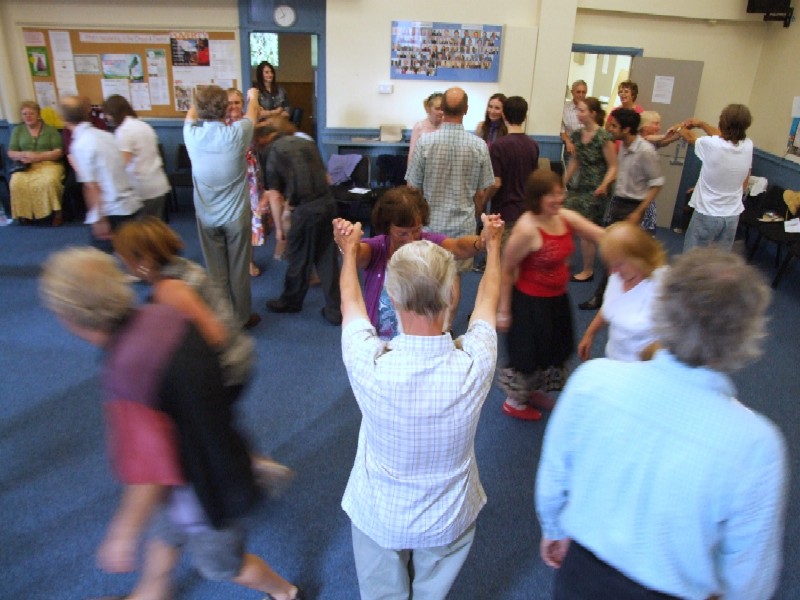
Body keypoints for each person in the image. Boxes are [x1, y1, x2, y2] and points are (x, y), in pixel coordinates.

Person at [39, 248, 304, 600]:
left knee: (222, 565)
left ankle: (286, 593)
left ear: (71, 316)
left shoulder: (127, 371)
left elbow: (148, 471)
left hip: (208, 488)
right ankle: (149, 595)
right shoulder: (163, 315)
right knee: (164, 535)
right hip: (217, 450)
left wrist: (122, 532)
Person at [536, 247, 787, 600]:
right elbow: (750, 577)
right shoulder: (757, 444)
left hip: (581, 575)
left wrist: (553, 529)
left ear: (663, 305)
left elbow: (554, 476)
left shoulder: (592, 380)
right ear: (745, 335)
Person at [334, 207, 504, 600]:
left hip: (380, 514)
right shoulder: (476, 362)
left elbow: (351, 303)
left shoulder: (367, 362)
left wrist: (348, 252)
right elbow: (489, 301)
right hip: (449, 518)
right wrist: (492, 247)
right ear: (452, 296)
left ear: (392, 296)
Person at [112, 217, 294, 497]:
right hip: (238, 357)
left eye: (124, 258)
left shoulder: (170, 289)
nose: (122, 263)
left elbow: (215, 335)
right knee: (218, 425)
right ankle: (252, 465)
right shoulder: (182, 268)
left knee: (207, 430)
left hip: (226, 367)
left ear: (143, 259)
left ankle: (248, 477)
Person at [497, 170, 603, 421]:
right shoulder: (526, 228)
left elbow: (598, 234)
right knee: (528, 353)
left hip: (556, 299)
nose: (558, 199)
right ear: (537, 198)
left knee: (553, 348)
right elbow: (507, 268)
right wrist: (503, 310)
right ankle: (514, 402)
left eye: (560, 192)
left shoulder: (563, 217)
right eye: (551, 195)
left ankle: (532, 392)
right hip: (529, 303)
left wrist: (630, 246)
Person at [346, 186, 499, 340]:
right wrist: (346, 242)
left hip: (419, 340)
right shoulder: (376, 249)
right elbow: (355, 255)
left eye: (416, 230)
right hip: (382, 341)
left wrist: (480, 242)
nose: (411, 239)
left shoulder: (428, 244)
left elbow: (458, 246)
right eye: (402, 233)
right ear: (387, 228)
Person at [406, 86, 495, 333]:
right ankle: (445, 328)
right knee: (454, 278)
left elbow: (412, 188)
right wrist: (477, 212)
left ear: (442, 110)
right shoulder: (479, 146)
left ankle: (426, 326)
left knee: (429, 276)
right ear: (466, 110)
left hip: (430, 225)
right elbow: (483, 190)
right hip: (463, 226)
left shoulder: (425, 143)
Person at [183, 85, 261, 329]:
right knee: (239, 271)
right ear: (225, 109)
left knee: (215, 272)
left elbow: (191, 114)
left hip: (206, 217)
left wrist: (201, 101)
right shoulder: (237, 134)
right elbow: (253, 112)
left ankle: (222, 318)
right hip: (236, 217)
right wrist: (254, 96)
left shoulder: (191, 134)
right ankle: (242, 317)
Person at [578, 109, 664, 311]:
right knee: (612, 252)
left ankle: (613, 299)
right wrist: (606, 184)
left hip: (635, 206)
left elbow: (658, 184)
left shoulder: (645, 151)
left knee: (629, 256)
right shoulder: (624, 147)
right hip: (619, 202)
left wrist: (639, 212)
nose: (610, 129)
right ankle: (606, 297)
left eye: (614, 126)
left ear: (627, 129)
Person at [262, 117, 342, 325]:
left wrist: (279, 228)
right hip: (327, 204)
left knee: (298, 257)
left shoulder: (273, 151)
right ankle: (335, 310)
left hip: (305, 211)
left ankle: (291, 301)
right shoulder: (307, 142)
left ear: (268, 136)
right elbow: (327, 178)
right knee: (327, 259)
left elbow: (275, 195)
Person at [577, 222, 667, 362]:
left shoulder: (661, 286)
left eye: (618, 264)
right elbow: (611, 306)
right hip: (614, 358)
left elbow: (678, 336)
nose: (612, 272)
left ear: (639, 260)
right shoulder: (619, 275)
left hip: (642, 367)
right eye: (610, 264)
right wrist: (590, 333)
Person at [60, 95, 141, 250]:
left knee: (102, 259)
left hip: (112, 210)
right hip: (129, 204)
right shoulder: (106, 135)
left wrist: (99, 220)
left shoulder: (80, 145)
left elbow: (91, 186)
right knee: (131, 255)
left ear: (63, 118)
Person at [668, 104, 753, 251]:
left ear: (723, 122)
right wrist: (700, 124)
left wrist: (679, 127)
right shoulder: (748, 145)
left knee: (693, 259)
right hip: (732, 216)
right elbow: (723, 137)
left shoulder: (711, 145)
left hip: (707, 214)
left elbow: (689, 137)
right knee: (719, 262)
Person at [562, 97, 617, 283]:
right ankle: (566, 263)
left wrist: (604, 185)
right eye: (578, 110)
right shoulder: (577, 135)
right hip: (580, 186)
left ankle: (588, 270)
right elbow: (575, 161)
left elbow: (613, 166)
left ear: (593, 113)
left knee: (586, 231)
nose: (579, 114)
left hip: (596, 190)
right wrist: (563, 182)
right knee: (566, 222)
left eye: (583, 111)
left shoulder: (603, 136)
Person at [226, 88, 272, 277]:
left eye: (237, 102)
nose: (234, 106)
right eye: (230, 102)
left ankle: (249, 260)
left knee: (251, 218)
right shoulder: (223, 124)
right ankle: (233, 260)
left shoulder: (248, 121)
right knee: (232, 220)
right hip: (232, 177)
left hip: (252, 177)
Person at [102, 94, 171, 220]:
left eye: (107, 114)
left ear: (113, 113)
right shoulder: (144, 125)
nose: (107, 118)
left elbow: (123, 164)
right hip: (158, 185)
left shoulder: (124, 131)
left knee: (140, 235)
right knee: (155, 232)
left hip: (142, 189)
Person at [483, 95, 540, 234]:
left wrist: (483, 201)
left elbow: (496, 183)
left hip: (504, 212)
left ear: (503, 114)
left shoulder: (499, 145)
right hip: (526, 210)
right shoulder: (533, 145)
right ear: (525, 117)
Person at [7, 100, 65, 225]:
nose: (28, 116)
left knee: (49, 181)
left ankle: (57, 213)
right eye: (24, 114)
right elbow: (11, 152)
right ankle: (26, 213)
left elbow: (58, 152)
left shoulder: (50, 130)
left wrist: (39, 156)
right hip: (25, 165)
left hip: (49, 163)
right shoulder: (18, 131)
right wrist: (23, 155)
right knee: (16, 182)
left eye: (31, 113)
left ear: (38, 114)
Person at [408, 92, 443, 160]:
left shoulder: (448, 126)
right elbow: (412, 154)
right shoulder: (419, 126)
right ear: (428, 109)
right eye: (437, 109)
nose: (441, 112)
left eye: (443, 109)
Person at [560, 80, 587, 162]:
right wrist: (568, 142)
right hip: (570, 149)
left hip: (586, 150)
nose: (581, 95)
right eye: (578, 92)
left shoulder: (589, 109)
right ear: (572, 92)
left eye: (583, 92)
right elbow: (562, 130)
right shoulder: (564, 108)